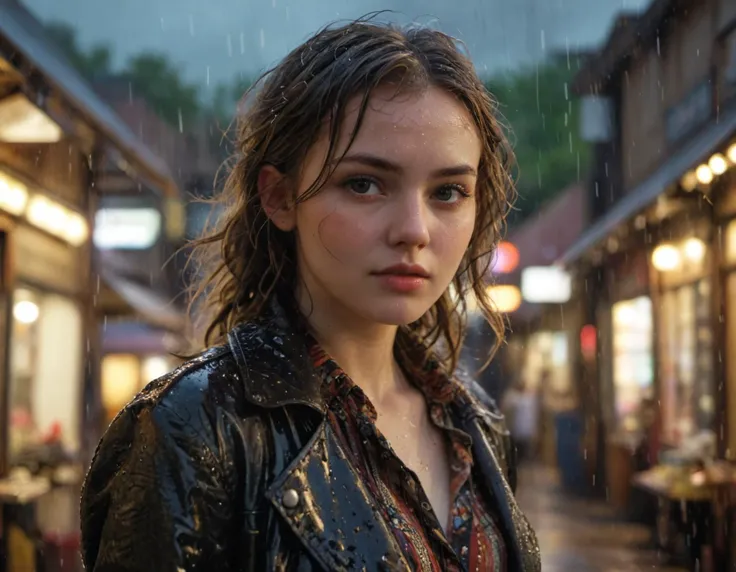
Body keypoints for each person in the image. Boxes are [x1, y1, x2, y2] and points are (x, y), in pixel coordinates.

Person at [80, 18, 540, 572]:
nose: (414, 229)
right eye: (364, 183)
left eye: (448, 192)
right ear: (279, 197)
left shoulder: (474, 426)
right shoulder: (195, 430)